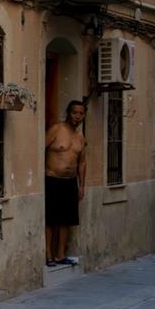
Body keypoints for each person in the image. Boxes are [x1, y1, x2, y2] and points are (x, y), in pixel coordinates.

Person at [44, 101, 87, 267]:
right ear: (68, 113)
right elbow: (42, 149)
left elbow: (82, 162)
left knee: (65, 220)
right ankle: (49, 254)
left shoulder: (80, 137)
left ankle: (60, 255)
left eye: (81, 113)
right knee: (51, 218)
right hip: (52, 179)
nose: (77, 116)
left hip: (70, 183)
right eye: (74, 112)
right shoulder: (56, 129)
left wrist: (81, 185)